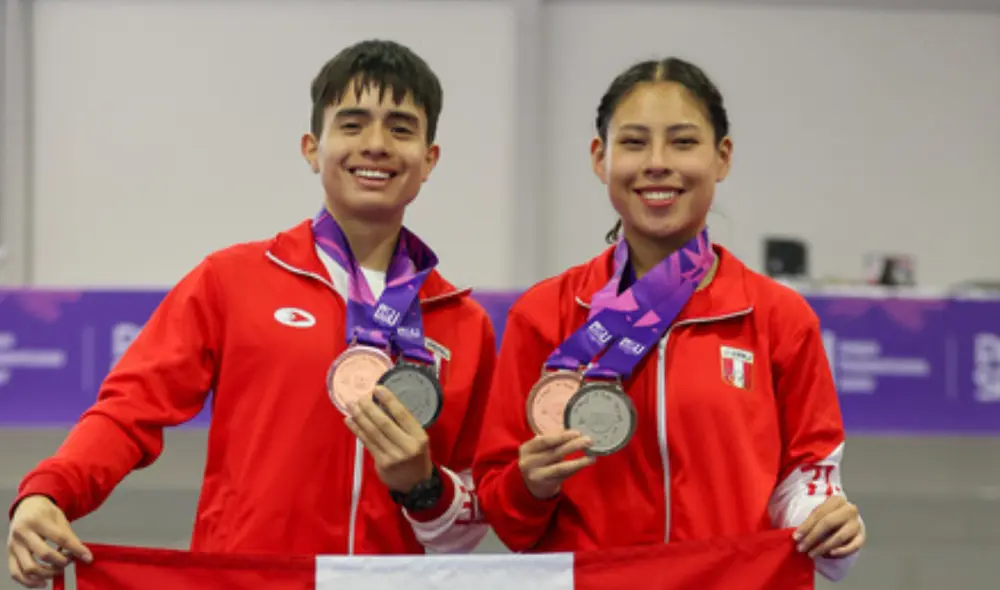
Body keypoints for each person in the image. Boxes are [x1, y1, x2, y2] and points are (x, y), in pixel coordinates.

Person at [7, 39, 496, 588]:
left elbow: (467, 527)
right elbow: (129, 411)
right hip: (245, 582)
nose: (377, 145)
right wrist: (50, 491)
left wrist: (422, 486)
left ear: (429, 160)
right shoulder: (232, 280)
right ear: (312, 148)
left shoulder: (462, 323)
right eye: (353, 124)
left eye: (401, 129)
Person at [471, 57, 864, 582]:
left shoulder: (777, 317)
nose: (657, 163)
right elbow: (505, 516)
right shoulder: (545, 315)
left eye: (683, 142)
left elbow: (809, 476)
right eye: (634, 143)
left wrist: (825, 520)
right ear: (600, 158)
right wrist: (530, 484)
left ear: (722, 157)